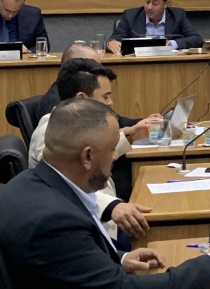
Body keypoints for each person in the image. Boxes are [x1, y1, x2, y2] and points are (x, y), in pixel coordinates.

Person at [0, 98, 210, 288]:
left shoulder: (27, 184)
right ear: (87, 156)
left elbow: (68, 262)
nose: (115, 156)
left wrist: (119, 258)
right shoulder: (54, 222)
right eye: (112, 148)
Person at [28, 58, 159, 240]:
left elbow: (93, 153)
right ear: (82, 98)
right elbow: (60, 184)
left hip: (101, 218)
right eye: (105, 97)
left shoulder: (77, 123)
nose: (110, 102)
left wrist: (130, 136)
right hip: (88, 226)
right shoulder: (52, 130)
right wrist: (112, 206)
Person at [107, 0, 202, 54]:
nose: (149, 7)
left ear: (166, 4)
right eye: (147, 2)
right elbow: (114, 39)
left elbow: (196, 39)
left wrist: (171, 44)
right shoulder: (130, 16)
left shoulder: (177, 16)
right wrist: (111, 43)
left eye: (155, 3)